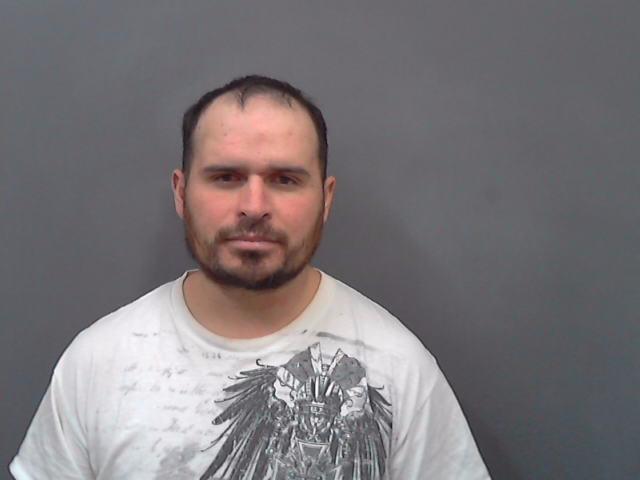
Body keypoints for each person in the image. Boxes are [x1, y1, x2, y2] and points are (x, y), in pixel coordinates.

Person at [10, 75, 490, 479]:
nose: (254, 207)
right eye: (226, 177)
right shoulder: (96, 364)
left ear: (325, 199)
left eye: (284, 179)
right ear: (181, 192)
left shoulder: (400, 368)